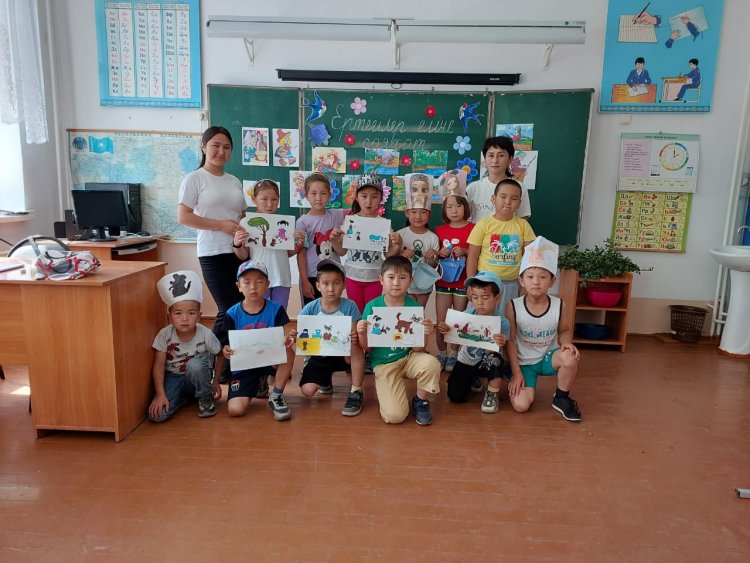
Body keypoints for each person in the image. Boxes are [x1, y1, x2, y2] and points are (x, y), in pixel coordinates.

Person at [176, 126, 245, 381]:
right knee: (227, 308)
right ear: (204, 146)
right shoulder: (194, 179)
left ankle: (238, 363)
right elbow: (184, 217)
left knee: (242, 307)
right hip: (212, 252)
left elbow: (242, 216)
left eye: (226, 147)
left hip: (239, 252)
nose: (221, 151)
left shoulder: (234, 181)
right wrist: (220, 226)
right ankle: (215, 367)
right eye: (216, 145)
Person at [356, 256, 441, 425]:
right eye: (391, 277)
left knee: (431, 363)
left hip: (409, 357)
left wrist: (425, 333)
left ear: (410, 281)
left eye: (402, 278)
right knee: (395, 417)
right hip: (384, 363)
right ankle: (390, 390)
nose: (396, 283)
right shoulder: (372, 307)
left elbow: (418, 349)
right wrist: (361, 333)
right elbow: (366, 347)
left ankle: (420, 400)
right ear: (381, 280)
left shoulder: (415, 307)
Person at [504, 236, 582, 422]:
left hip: (548, 357)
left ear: (552, 281)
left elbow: (564, 330)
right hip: (524, 363)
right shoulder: (513, 306)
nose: (536, 282)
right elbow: (510, 342)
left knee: (569, 357)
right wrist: (516, 373)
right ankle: (511, 376)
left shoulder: (559, 305)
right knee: (521, 406)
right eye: (530, 277)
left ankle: (561, 398)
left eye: (543, 277)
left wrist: (567, 343)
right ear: (521, 281)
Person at [213, 260, 297, 421]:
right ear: (239, 286)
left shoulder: (276, 309)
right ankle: (257, 383)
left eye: (259, 281)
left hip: (269, 360)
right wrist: (226, 351)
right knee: (235, 410)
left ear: (267, 285)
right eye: (247, 282)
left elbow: (279, 340)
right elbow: (225, 347)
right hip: (244, 366)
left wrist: (287, 339)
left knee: (287, 351)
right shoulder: (232, 314)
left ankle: (276, 395)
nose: (253, 287)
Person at [148, 270, 222, 422]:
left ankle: (204, 397)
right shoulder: (164, 334)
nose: (184, 319)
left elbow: (220, 354)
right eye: (178, 313)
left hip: (198, 377)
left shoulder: (206, 334)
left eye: (191, 313)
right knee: (157, 415)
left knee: (195, 365)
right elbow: (158, 365)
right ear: (169, 317)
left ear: (199, 316)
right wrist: (160, 394)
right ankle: (182, 399)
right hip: (173, 377)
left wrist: (216, 381)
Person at [298, 259, 366, 416]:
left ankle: (356, 390)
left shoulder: (350, 306)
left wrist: (354, 335)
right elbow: (303, 336)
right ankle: (325, 380)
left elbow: (354, 333)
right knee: (307, 391)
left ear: (344, 285)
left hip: (343, 355)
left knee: (355, 344)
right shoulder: (310, 308)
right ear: (318, 286)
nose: (331, 289)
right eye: (326, 283)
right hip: (319, 356)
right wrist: (296, 337)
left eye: (336, 283)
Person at [437, 271, 509, 412]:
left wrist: (502, 342)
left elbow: (504, 347)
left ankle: (492, 393)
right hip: (467, 360)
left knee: (496, 360)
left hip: (487, 361)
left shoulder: (502, 322)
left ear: (497, 298)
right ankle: (472, 378)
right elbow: (452, 330)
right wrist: (445, 328)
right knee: (454, 396)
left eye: (485, 297)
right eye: (475, 297)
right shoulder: (467, 315)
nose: (479, 303)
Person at [329, 174, 402, 313]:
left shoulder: (383, 224)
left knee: (371, 314)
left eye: (374, 197)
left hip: (375, 277)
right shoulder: (349, 221)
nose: (369, 201)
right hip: (352, 276)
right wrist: (333, 241)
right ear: (356, 197)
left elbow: (388, 255)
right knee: (356, 313)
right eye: (364, 196)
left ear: (381, 198)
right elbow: (342, 251)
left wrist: (397, 246)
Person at [231, 179, 304, 311]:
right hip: (258, 278)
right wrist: (237, 244)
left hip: (281, 276)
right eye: (264, 199)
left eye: (274, 199)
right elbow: (243, 256)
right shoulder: (246, 222)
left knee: (279, 314)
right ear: (254, 199)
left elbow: (286, 253)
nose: (269, 204)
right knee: (259, 313)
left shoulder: (284, 223)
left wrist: (298, 246)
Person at [467, 178, 536, 315]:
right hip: (484, 284)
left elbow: (530, 258)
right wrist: (470, 284)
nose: (508, 202)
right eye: (503, 197)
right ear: (494, 199)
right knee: (484, 320)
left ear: (519, 203)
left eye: (514, 198)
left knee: (509, 319)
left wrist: (525, 284)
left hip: (512, 284)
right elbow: (472, 257)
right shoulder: (483, 224)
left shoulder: (523, 226)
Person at [435, 193, 473, 373]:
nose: (454, 210)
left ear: (465, 207)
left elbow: (478, 253)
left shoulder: (473, 228)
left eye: (458, 206)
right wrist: (439, 253)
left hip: (462, 282)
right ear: (444, 210)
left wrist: (465, 251)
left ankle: (454, 354)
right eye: (449, 207)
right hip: (443, 281)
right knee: (441, 320)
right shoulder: (439, 230)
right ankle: (442, 353)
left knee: (458, 320)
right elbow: (433, 258)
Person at [296, 173, 347, 305]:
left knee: (333, 310)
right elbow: (301, 254)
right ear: (306, 195)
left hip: (333, 275)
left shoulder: (337, 215)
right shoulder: (303, 222)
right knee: (311, 312)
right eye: (313, 193)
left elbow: (357, 212)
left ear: (330, 195)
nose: (318, 198)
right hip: (312, 276)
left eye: (323, 193)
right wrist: (305, 281)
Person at [466, 136, 531, 222]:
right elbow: (462, 218)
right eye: (491, 155)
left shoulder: (519, 187)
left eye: (501, 155)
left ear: (510, 159)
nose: (495, 160)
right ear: (485, 159)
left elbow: (522, 220)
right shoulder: (472, 188)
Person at [397, 185, 440, 307]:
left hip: (424, 284)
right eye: (414, 211)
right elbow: (393, 260)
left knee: (419, 313)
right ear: (407, 213)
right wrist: (401, 254)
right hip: (404, 284)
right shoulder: (400, 234)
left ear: (430, 214)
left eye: (423, 212)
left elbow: (432, 265)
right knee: (405, 312)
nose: (418, 216)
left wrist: (433, 257)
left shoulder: (433, 238)